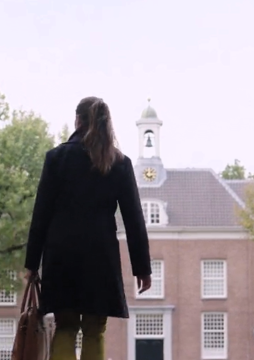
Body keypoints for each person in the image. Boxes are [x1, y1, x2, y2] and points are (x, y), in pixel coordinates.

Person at [24, 97, 152, 360]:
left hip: (61, 257)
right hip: (100, 258)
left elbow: (41, 215)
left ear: (77, 121)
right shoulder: (119, 162)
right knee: (94, 331)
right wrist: (142, 268)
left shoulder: (56, 158)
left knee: (65, 327)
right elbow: (134, 220)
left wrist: (32, 263)